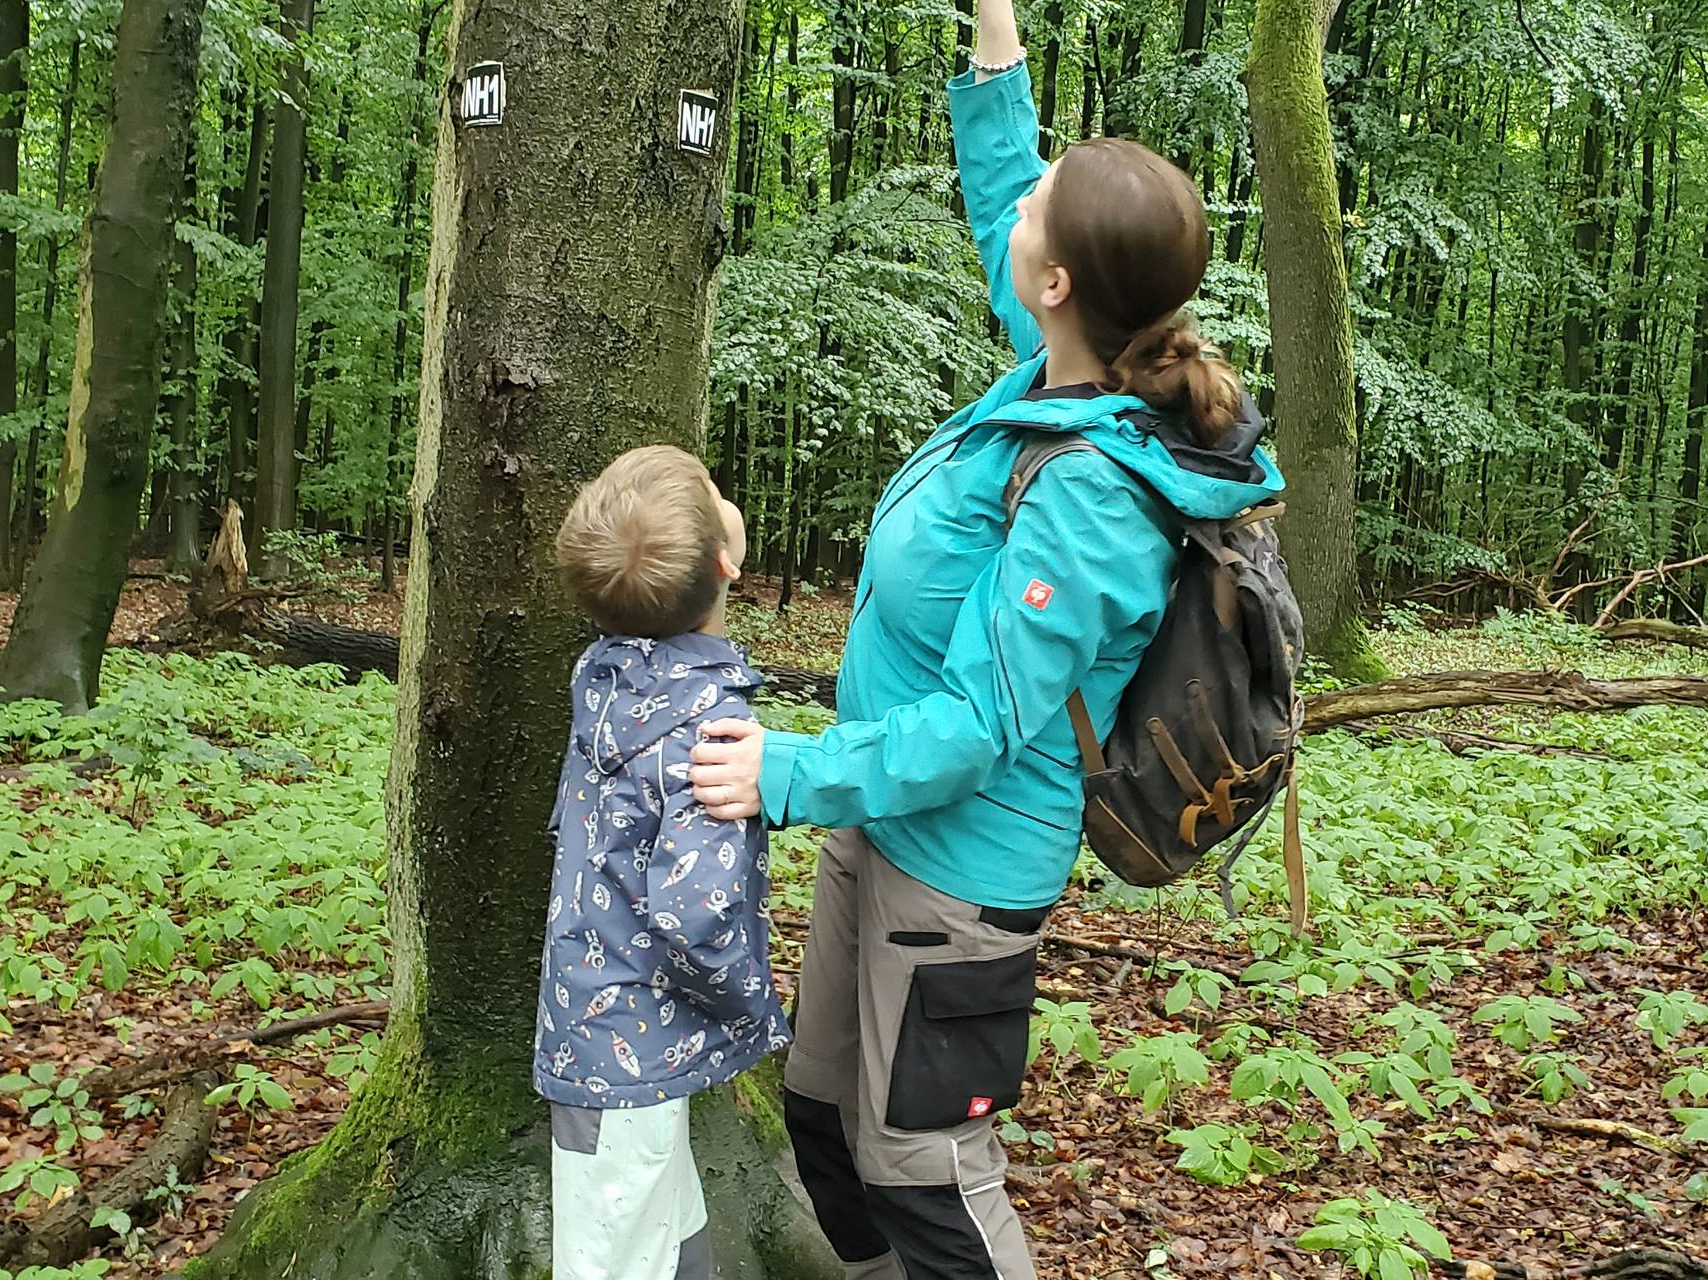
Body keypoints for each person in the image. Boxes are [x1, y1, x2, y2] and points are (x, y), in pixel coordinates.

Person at [683, 0, 1285, 1271]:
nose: (1015, 212)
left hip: (955, 867)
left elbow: (976, 727)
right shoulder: (1067, 366)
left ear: (1055, 282)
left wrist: (783, 775)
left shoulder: (1089, 493)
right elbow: (1007, 189)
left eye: (1036, 215)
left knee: (928, 1168)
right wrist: (995, 35)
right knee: (817, 1111)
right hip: (879, 811)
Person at [536, 444, 788, 1280]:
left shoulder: (603, 676)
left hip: (607, 1034)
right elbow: (697, 912)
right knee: (612, 1253)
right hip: (629, 1055)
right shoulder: (713, 733)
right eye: (717, 492)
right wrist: (749, 1002)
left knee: (662, 1229)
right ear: (726, 561)